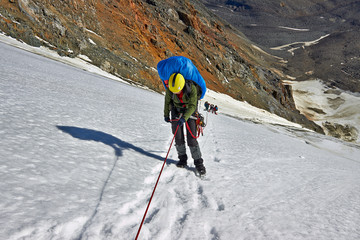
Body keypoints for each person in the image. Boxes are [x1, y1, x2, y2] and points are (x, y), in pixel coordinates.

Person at [164, 73, 206, 175]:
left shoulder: (192, 88)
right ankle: (182, 159)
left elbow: (192, 106)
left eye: (177, 91)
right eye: (173, 91)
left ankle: (199, 163)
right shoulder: (171, 88)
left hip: (190, 111)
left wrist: (184, 118)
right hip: (176, 110)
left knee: (191, 138)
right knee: (178, 137)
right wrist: (166, 114)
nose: (175, 92)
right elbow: (167, 101)